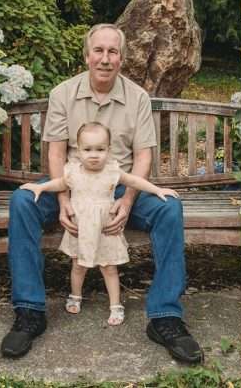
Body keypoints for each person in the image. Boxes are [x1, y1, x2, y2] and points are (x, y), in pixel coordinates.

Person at [2, 24, 203, 364]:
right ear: (87, 55)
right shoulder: (63, 94)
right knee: (22, 201)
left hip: (118, 185)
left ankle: (165, 316)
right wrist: (64, 200)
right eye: (99, 50)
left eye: (112, 52)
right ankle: (29, 311)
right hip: (72, 181)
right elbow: (55, 152)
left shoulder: (137, 97)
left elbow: (142, 156)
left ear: (122, 59)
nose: (105, 58)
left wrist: (126, 203)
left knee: (169, 208)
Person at [19, 122, 180, 326]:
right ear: (78, 151)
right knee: (77, 265)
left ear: (109, 150)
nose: (94, 155)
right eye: (87, 150)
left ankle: (115, 305)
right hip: (82, 228)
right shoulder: (73, 172)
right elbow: (59, 184)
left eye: (100, 149)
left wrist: (157, 190)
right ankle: (75, 296)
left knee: (109, 267)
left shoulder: (112, 172)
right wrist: (40, 188)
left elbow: (135, 181)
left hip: (105, 228)